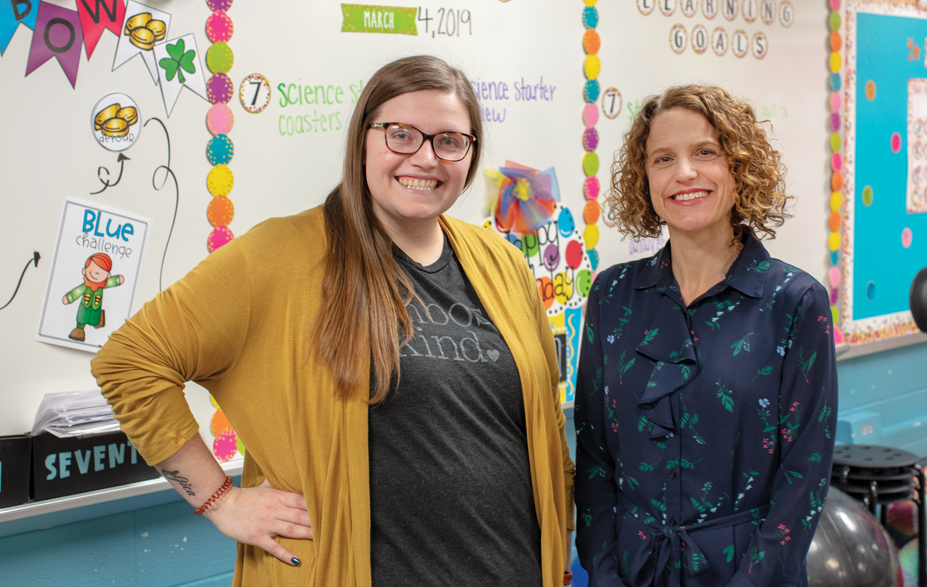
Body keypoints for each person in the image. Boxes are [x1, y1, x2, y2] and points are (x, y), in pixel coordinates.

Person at [92, 55, 574, 587]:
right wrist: (219, 500)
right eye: (401, 135)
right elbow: (129, 362)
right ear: (363, 140)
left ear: (470, 153)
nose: (426, 157)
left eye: (449, 141)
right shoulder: (279, 256)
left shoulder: (500, 261)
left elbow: (543, 421)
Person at [574, 85, 837, 587]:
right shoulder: (612, 295)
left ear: (740, 167)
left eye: (705, 152)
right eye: (663, 158)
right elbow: (593, 452)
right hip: (631, 570)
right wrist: (604, 571)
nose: (684, 173)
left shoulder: (794, 300)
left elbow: (804, 476)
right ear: (644, 178)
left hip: (749, 573)